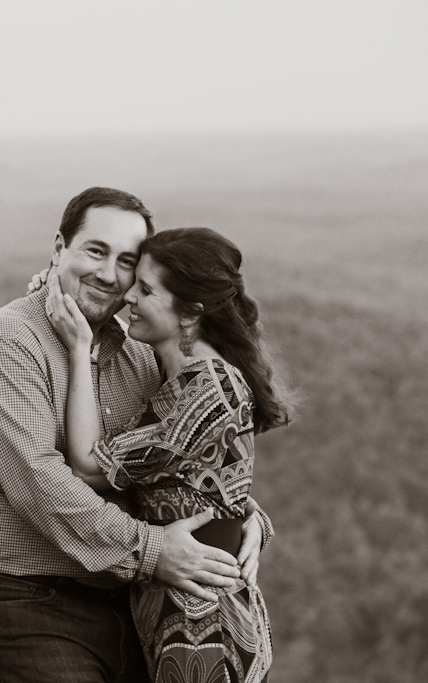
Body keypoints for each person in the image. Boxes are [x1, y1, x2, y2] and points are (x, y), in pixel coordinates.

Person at [0, 188, 273, 683]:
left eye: (126, 262)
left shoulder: (141, 353)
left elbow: (183, 456)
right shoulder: (7, 342)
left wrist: (241, 516)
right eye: (95, 251)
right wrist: (155, 550)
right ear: (60, 247)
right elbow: (39, 483)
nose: (108, 274)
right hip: (30, 602)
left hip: (133, 604)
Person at [44, 226, 289, 683]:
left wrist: (79, 350)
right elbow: (205, 484)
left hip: (201, 624)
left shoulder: (207, 390)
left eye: (145, 288)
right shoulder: (185, 378)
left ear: (190, 313)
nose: (127, 296)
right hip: (183, 610)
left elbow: (89, 466)